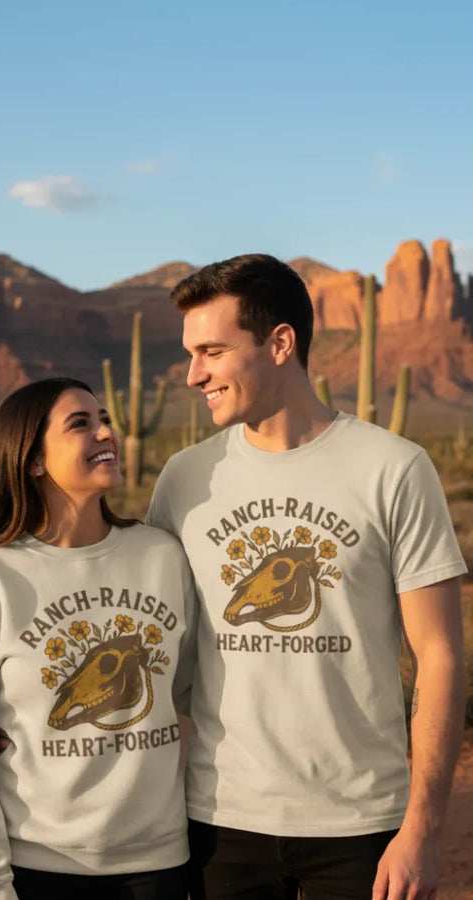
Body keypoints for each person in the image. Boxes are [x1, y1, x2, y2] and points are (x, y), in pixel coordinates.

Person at [146, 254, 467, 900]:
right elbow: (146, 638)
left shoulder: (394, 469)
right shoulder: (184, 480)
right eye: (190, 354)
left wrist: (423, 829)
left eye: (211, 352)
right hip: (219, 821)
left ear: (279, 343)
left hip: (362, 825)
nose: (193, 374)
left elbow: (439, 655)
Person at [0, 377, 196, 900]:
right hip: (38, 866)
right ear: (32, 460)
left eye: (106, 419)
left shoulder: (161, 556)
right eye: (81, 424)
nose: (106, 433)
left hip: (160, 862)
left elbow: (194, 693)